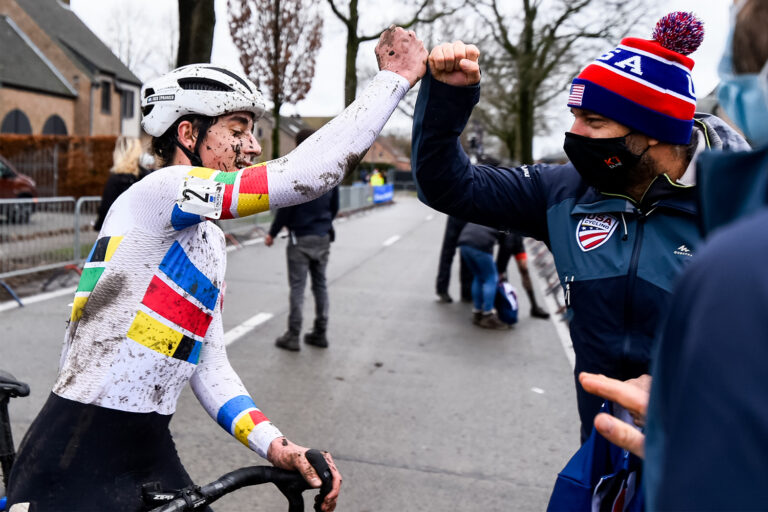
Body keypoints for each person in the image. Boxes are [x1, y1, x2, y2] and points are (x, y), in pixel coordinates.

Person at [5, 26, 428, 512]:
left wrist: (276, 445)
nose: (251, 146)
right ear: (188, 133)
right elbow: (303, 176)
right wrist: (392, 81)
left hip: (148, 447)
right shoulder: (161, 191)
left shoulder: (206, 237)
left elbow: (208, 363)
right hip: (77, 450)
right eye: (237, 129)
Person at [411, 12, 750, 442]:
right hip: (598, 451)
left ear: (654, 133)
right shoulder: (562, 192)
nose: (574, 136)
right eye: (574, 116)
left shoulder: (742, 205)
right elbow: (447, 187)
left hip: (706, 460)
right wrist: (447, 100)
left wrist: (686, 390)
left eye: (593, 122)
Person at [580, 1, 768, 508]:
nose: (575, 134)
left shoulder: (737, 249)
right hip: (615, 442)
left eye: (592, 119)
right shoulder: (571, 193)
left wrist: (682, 446)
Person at [266, 129, 339, 351]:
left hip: (300, 239)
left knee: (298, 288)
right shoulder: (329, 170)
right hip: (323, 235)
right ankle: (320, 332)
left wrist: (272, 232)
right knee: (320, 285)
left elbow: (286, 209)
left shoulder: (297, 172)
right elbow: (334, 207)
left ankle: (293, 335)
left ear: (299, 145)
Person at [457, 222, 510, 330]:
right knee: (491, 277)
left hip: (464, 243)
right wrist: (500, 270)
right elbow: (506, 247)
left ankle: (477, 312)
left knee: (478, 276)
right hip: (480, 245)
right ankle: (488, 315)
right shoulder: (508, 218)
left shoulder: (488, 209)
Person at [93, 136, 152, 231]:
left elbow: (107, 210)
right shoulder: (147, 177)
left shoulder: (116, 180)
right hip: (144, 235)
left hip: (119, 234)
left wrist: (98, 226)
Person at [495, 233, 549, 319]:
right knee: (500, 273)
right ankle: (498, 308)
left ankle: (534, 307)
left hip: (517, 239)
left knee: (524, 270)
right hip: (507, 239)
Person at [435, 215, 472, 303]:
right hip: (465, 216)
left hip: (456, 213)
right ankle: (466, 292)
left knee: (448, 254)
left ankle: (442, 289)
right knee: (460, 253)